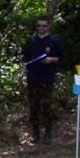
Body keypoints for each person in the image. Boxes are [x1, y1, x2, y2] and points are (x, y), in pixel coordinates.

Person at [18, 15, 64, 144]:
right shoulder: (31, 41)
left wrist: (49, 60)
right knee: (34, 107)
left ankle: (48, 134)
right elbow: (26, 60)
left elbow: (61, 57)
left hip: (47, 79)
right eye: (39, 25)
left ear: (48, 26)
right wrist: (22, 74)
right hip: (33, 78)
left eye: (44, 26)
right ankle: (35, 133)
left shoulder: (54, 41)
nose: (41, 28)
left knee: (47, 107)